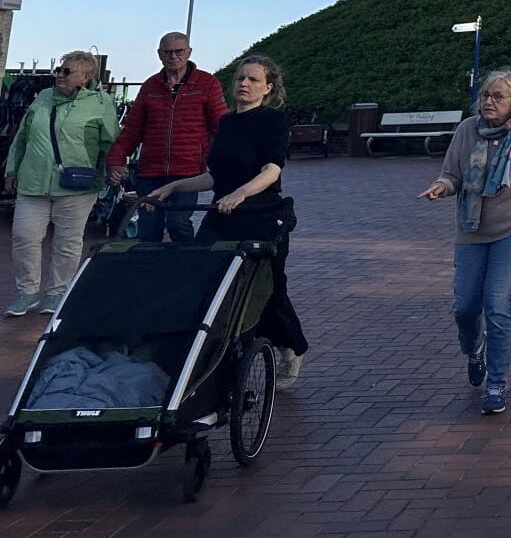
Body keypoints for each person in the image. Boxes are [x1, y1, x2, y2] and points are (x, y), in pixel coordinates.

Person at [144, 57, 309, 390]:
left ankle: (292, 348)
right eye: (240, 78)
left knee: (268, 289)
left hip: (262, 216)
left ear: (268, 88)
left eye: (253, 79)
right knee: (200, 276)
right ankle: (204, 351)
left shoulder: (273, 120)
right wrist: (175, 186)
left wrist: (240, 195)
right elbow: (215, 176)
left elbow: (271, 171)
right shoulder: (227, 123)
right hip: (224, 216)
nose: (244, 83)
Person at [419, 71, 511, 415]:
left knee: (497, 303)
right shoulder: (467, 130)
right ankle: (474, 350)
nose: (489, 102)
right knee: (465, 306)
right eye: (485, 95)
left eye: (498, 97)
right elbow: (451, 174)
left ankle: (497, 384)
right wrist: (442, 187)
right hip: (471, 226)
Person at [4, 52, 118, 316]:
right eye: (59, 69)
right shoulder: (43, 97)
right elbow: (22, 136)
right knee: (24, 236)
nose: (59, 75)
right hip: (34, 180)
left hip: (77, 185)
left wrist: (113, 169)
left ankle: (56, 292)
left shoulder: (102, 102)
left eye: (67, 71)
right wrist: (12, 170)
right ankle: (28, 292)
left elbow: (111, 142)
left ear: (86, 77)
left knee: (67, 241)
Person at [106, 32, 227, 243]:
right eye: (167, 52)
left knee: (177, 223)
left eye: (179, 51)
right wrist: (115, 161)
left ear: (188, 52)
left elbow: (221, 125)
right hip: (150, 172)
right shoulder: (150, 87)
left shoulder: (207, 83)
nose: (173, 56)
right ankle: (151, 271)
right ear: (159, 55)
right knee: (149, 230)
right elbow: (132, 130)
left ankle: (187, 265)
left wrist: (235, 156)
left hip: (188, 172)